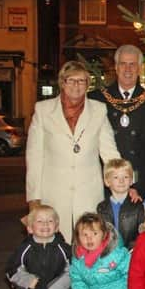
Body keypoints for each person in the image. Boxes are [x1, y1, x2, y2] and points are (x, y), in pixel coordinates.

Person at [26, 61, 121, 242]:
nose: (76, 86)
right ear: (62, 82)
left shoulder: (99, 110)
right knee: (55, 250)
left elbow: (110, 153)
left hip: (89, 193)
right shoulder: (43, 110)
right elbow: (34, 157)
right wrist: (34, 198)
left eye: (82, 81)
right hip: (53, 193)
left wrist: (123, 183)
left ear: (88, 84)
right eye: (71, 80)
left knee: (89, 246)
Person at [88, 44, 145, 196]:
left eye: (132, 64)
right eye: (123, 64)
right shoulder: (96, 99)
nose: (128, 69)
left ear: (140, 68)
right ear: (116, 67)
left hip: (139, 184)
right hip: (103, 183)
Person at [97, 159, 145, 250]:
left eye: (126, 177)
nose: (121, 181)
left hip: (131, 253)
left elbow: (143, 234)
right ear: (107, 182)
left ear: (131, 180)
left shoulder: (138, 206)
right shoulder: (101, 208)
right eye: (116, 177)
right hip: (109, 254)